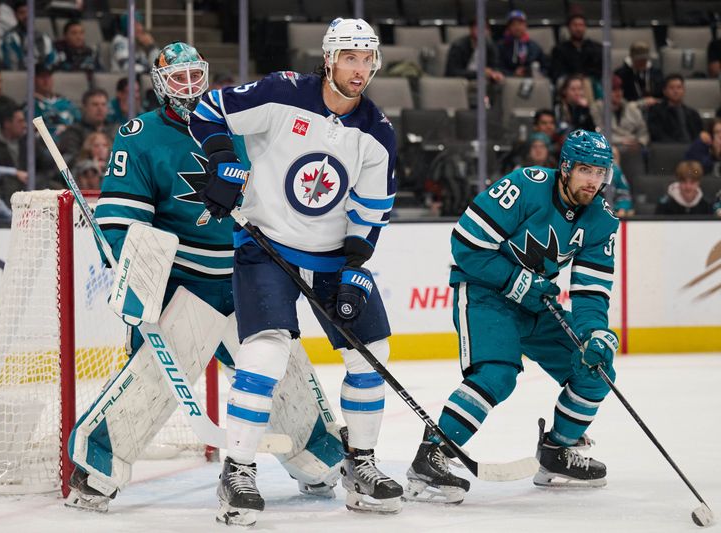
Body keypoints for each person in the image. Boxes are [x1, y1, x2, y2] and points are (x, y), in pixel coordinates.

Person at [65, 41, 345, 517]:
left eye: (196, 76)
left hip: (244, 272)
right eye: (178, 79)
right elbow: (120, 218)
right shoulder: (140, 135)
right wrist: (133, 266)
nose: (189, 87)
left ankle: (319, 460)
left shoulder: (240, 123)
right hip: (181, 281)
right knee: (152, 379)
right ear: (159, 85)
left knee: (282, 370)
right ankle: (95, 469)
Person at [190, 17, 403, 524]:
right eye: (350, 57)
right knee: (264, 353)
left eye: (367, 59)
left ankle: (362, 463)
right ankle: (237, 471)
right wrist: (221, 160)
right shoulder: (282, 92)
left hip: (331, 257)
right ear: (329, 58)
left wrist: (354, 267)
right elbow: (207, 110)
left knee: (371, 351)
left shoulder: (376, 132)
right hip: (264, 244)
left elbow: (370, 214)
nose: (359, 68)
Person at [405, 130, 620, 504]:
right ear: (565, 167)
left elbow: (590, 292)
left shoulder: (601, 220)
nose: (593, 181)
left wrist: (594, 334)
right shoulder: (526, 186)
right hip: (486, 293)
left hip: (536, 303)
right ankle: (432, 454)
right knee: (497, 375)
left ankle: (557, 452)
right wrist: (517, 281)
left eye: (600, 172)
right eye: (585, 170)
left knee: (597, 369)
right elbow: (467, 245)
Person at [57, 88, 116, 168]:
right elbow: (69, 160)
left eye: (103, 104)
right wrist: (91, 164)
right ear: (85, 107)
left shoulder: (115, 130)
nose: (100, 108)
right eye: (95, 104)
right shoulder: (73, 132)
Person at [590, 74, 649, 151]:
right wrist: (621, 141)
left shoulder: (631, 108)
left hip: (633, 148)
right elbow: (599, 131)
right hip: (609, 147)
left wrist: (640, 142)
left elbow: (643, 131)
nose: (618, 93)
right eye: (614, 90)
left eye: (620, 89)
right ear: (605, 91)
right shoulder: (597, 107)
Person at [0, 105, 28, 206]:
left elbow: (47, 163)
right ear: (7, 124)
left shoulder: (27, 140)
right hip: (6, 197)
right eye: (20, 121)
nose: (25, 125)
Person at [647, 74, 703, 144]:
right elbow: (657, 135)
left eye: (679, 87)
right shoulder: (656, 112)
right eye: (671, 88)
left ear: (684, 90)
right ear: (665, 91)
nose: (676, 91)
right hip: (668, 149)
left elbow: (699, 135)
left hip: (692, 149)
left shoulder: (693, 114)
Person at [0, 0, 56, 70]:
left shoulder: (44, 37)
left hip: (42, 75)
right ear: (15, 15)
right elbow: (12, 64)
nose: (27, 16)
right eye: (22, 12)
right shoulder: (10, 37)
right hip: (21, 76)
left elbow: (51, 61)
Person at [549, 13, 602, 85]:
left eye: (581, 25)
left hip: (591, 84)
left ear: (585, 27)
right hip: (569, 84)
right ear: (569, 27)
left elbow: (599, 71)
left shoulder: (596, 48)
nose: (578, 29)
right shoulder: (559, 50)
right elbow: (557, 73)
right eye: (575, 25)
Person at [32, 64, 80, 140]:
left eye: (48, 77)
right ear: (34, 80)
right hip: (47, 144)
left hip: (72, 141)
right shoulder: (32, 105)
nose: (46, 80)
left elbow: (79, 121)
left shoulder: (66, 101)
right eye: (42, 77)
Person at [497, 10, 547, 77]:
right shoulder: (501, 46)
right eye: (513, 24)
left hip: (532, 81)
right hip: (509, 81)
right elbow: (497, 67)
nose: (517, 27)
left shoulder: (535, 47)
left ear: (525, 25)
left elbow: (545, 67)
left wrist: (537, 74)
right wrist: (512, 73)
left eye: (520, 24)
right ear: (508, 27)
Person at [614, 41, 663, 108]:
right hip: (630, 108)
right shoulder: (621, 74)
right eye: (639, 60)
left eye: (644, 59)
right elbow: (620, 96)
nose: (642, 62)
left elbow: (661, 93)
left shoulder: (656, 73)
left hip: (654, 106)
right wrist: (640, 102)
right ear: (632, 58)